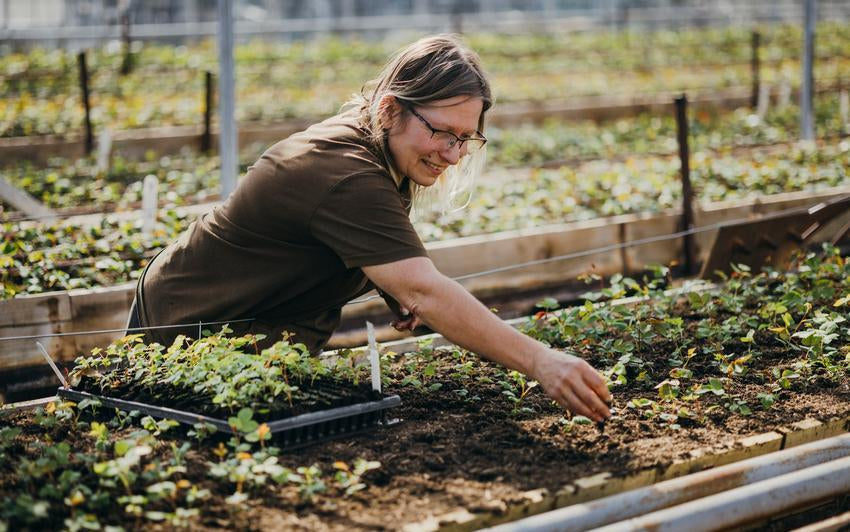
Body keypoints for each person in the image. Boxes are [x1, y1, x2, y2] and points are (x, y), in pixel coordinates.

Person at [128, 34, 611, 422]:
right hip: (191, 328)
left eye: (466, 138)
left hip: (249, 333)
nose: (452, 153)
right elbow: (425, 290)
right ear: (390, 110)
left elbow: (341, 236)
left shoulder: (378, 148)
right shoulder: (348, 173)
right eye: (442, 132)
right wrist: (541, 361)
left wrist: (384, 283)